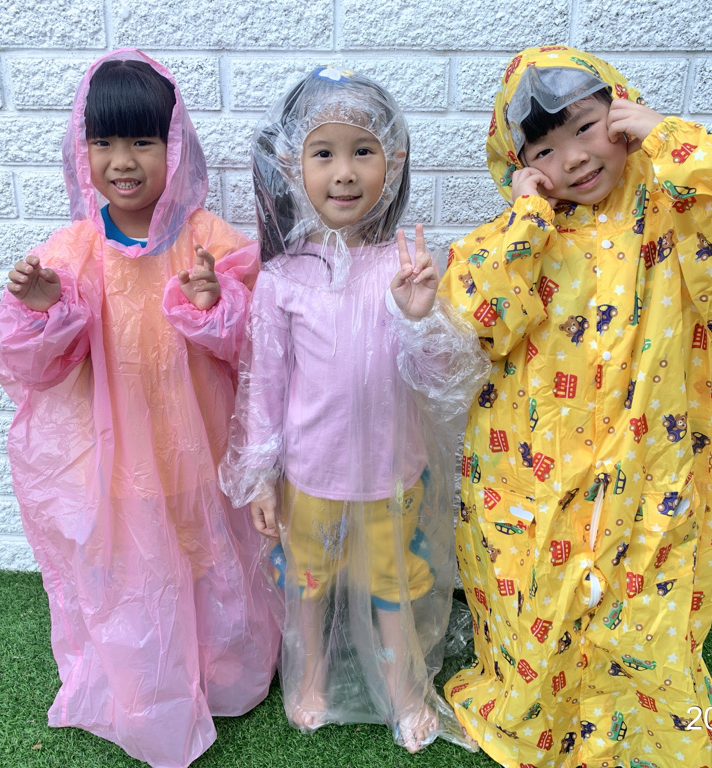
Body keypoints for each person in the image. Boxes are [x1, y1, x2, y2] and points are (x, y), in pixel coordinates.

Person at [439, 46, 712, 768]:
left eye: (586, 127)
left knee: (644, 599)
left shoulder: (674, 221)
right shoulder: (520, 233)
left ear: (620, 113)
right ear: (520, 164)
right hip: (533, 468)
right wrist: (528, 216)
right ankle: (540, 718)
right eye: (544, 149)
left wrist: (666, 136)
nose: (572, 158)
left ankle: (635, 724)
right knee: (541, 599)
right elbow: (478, 319)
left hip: (647, 458)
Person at [0, 49, 279, 768]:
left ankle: (218, 671)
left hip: (198, 445)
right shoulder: (71, 252)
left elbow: (257, 347)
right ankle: (146, 684)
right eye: (104, 142)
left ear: (174, 146)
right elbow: (34, 367)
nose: (123, 161)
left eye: (143, 141)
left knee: (202, 549)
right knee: (137, 566)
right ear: (82, 150)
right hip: (115, 457)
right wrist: (44, 310)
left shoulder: (208, 240)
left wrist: (214, 304)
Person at [219, 66, 488, 753]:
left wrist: (419, 317)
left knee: (394, 587)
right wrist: (259, 477)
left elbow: (441, 380)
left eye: (362, 151)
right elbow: (264, 387)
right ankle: (309, 675)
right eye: (324, 153)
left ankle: (404, 690)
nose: (344, 172)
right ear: (293, 165)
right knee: (307, 586)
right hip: (310, 476)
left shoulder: (407, 268)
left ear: (392, 162)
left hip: (393, 476)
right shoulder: (283, 279)